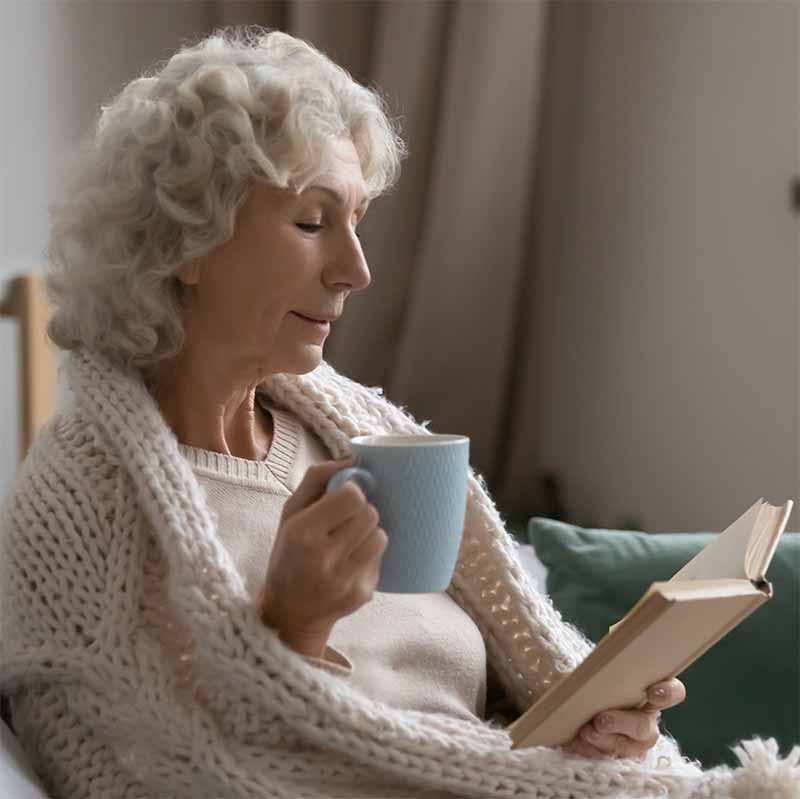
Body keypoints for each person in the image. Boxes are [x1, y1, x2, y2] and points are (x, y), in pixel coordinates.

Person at [0, 26, 707, 799]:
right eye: (312, 222)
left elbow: (476, 724)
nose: (357, 270)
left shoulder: (358, 435)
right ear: (184, 242)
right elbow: (152, 773)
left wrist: (593, 733)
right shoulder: (78, 504)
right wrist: (290, 629)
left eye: (358, 222)